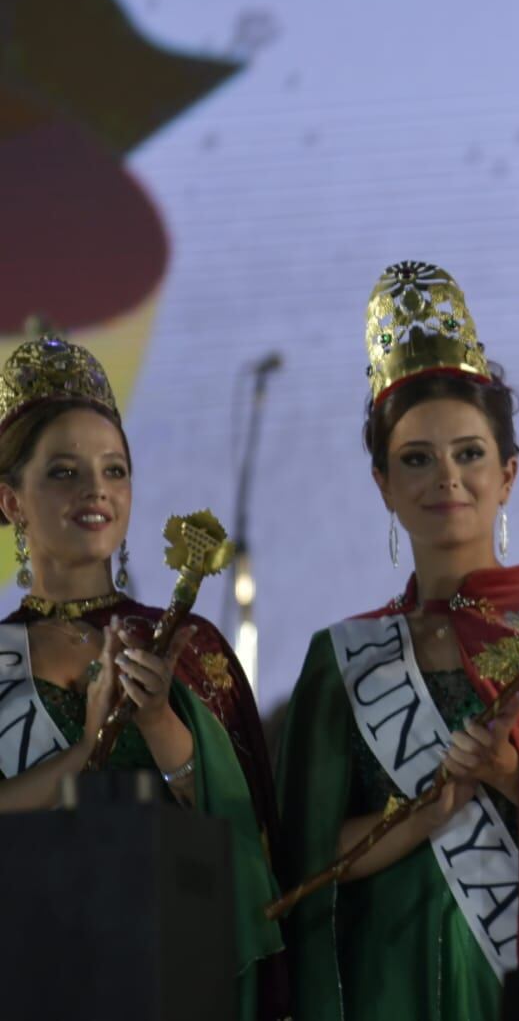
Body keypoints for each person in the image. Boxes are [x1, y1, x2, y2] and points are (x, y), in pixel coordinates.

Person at [275, 262, 519, 1020]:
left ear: (508, 475)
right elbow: (303, 864)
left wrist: (515, 777)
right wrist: (426, 814)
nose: (446, 479)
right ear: (382, 485)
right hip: (384, 981)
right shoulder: (343, 657)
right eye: (416, 460)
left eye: (468, 454)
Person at [0, 333, 287, 1018]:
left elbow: (246, 843)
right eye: (64, 472)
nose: (96, 490)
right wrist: (86, 747)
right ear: (11, 501)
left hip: (169, 972)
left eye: (114, 470)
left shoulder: (190, 649)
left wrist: (160, 723)